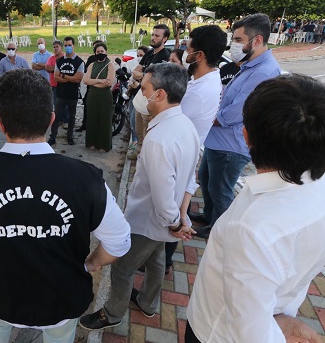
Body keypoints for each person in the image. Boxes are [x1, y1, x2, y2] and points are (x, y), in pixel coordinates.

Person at [0, 68, 131, 343]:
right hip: (62, 299)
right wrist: (90, 264)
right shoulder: (86, 178)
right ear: (51, 119)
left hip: (3, 295)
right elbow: (118, 243)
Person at [186, 74, 325, 343]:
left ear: (246, 135)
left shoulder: (251, 228)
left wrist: (279, 329)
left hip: (214, 331)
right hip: (277, 307)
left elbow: (251, 334)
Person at [79, 63, 199, 330]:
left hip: (150, 219)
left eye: (144, 89)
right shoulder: (186, 125)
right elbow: (191, 175)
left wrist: (177, 223)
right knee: (156, 260)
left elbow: (161, 193)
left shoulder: (160, 139)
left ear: (160, 94)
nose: (140, 94)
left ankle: (112, 313)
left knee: (122, 268)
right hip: (166, 219)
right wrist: (181, 217)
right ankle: (148, 302)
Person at [194, 13, 281, 240]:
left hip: (231, 144)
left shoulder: (262, 71)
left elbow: (235, 112)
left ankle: (220, 230)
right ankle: (210, 215)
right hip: (218, 140)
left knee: (220, 190)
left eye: (240, 40)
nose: (235, 45)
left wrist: (205, 116)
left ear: (258, 40)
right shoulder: (250, 65)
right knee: (207, 180)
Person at [164, 25, 225, 273]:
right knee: (178, 203)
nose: (184, 51)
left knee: (175, 207)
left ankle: (164, 260)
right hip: (186, 150)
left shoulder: (199, 92)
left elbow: (172, 119)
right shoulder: (204, 80)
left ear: (199, 55)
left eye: (188, 48)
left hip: (181, 154)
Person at [127, 24, 171, 161]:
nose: (153, 38)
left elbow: (154, 79)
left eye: (157, 35)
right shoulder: (149, 53)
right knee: (137, 129)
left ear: (165, 38)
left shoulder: (165, 56)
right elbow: (136, 70)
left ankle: (147, 159)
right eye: (153, 34)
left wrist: (142, 75)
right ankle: (139, 152)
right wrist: (143, 75)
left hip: (151, 103)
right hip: (140, 98)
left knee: (148, 132)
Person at [47, 37, 84, 146]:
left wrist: (63, 75)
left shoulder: (79, 62)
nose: (68, 47)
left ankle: (70, 136)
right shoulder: (60, 61)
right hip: (60, 94)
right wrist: (70, 77)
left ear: (74, 46)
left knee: (72, 117)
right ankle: (52, 137)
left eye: (69, 45)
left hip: (72, 95)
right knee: (57, 116)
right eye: (66, 45)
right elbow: (56, 77)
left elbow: (78, 79)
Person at [83, 42, 115, 152]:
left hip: (105, 95)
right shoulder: (92, 65)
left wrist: (93, 82)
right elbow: (85, 80)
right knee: (92, 118)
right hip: (93, 95)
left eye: (102, 51)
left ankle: (104, 144)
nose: (100, 53)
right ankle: (91, 142)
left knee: (104, 120)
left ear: (106, 52)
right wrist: (100, 81)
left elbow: (109, 82)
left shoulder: (110, 65)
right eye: (98, 52)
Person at [76, 40, 104, 133]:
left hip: (100, 89)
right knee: (87, 106)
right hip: (90, 88)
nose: (97, 50)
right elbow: (86, 70)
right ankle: (85, 124)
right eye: (95, 48)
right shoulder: (91, 58)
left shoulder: (106, 60)